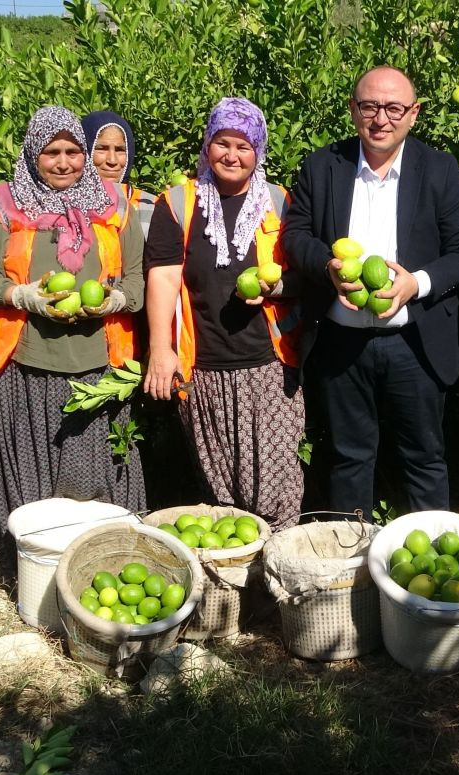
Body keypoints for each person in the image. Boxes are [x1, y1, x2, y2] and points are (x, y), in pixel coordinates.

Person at [281, 66, 459, 518]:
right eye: (370, 106)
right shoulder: (323, 165)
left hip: (415, 341)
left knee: (425, 459)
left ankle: (430, 570)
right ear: (353, 110)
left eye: (394, 108)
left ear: (413, 114)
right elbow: (296, 235)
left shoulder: (439, 169)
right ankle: (353, 570)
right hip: (341, 340)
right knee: (349, 459)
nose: (381, 118)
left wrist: (416, 284)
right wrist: (327, 268)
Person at [0, 106, 146, 529]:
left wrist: (115, 300)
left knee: (97, 475)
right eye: (51, 152)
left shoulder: (114, 204)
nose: (63, 162)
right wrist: (22, 295)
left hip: (97, 359)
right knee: (34, 474)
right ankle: (38, 560)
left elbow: (137, 274)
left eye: (72, 151)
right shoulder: (6, 203)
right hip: (25, 360)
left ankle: (101, 553)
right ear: (32, 154)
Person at [141, 98, 304, 529]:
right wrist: (161, 350)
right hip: (204, 367)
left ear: (259, 152)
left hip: (270, 366)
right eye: (222, 143)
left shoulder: (280, 202)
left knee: (278, 483)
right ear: (208, 145)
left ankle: (278, 577)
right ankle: (236, 583)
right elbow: (162, 278)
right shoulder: (177, 203)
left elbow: (307, 275)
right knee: (220, 491)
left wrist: (278, 288)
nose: (232, 155)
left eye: (244, 147)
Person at [81, 110, 158, 236]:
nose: (112, 160)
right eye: (102, 149)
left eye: (120, 150)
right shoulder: (64, 204)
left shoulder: (150, 206)